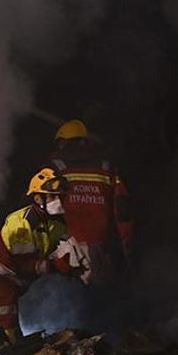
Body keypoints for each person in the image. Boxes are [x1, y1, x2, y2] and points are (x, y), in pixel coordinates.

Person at [0, 168, 87, 353]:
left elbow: (63, 247)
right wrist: (56, 266)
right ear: (37, 198)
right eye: (51, 197)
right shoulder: (22, 224)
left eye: (59, 197)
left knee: (11, 332)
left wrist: (76, 264)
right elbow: (24, 265)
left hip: (10, 283)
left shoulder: (54, 224)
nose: (57, 202)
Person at [46, 119, 132, 287]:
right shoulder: (106, 168)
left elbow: (42, 209)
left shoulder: (53, 169)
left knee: (61, 303)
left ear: (62, 143)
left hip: (66, 253)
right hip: (102, 253)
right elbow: (123, 210)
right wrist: (127, 248)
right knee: (102, 305)